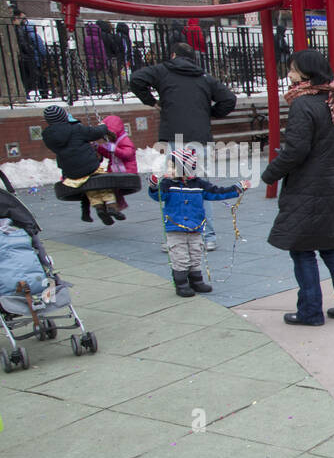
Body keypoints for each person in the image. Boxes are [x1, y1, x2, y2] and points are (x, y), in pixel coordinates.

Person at [262, 49, 334, 326]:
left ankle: (310, 311)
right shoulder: (331, 100)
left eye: (293, 70)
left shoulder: (303, 105)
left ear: (306, 74)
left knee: (302, 250)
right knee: (331, 248)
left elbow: (295, 150)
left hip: (307, 188)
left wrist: (270, 173)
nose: (290, 74)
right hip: (330, 185)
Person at [129, 40, 237, 251]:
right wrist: (209, 113)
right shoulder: (204, 77)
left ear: (173, 56)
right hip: (200, 139)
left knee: (174, 186)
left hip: (175, 138)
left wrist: (151, 101)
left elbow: (136, 79)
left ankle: (177, 234)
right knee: (200, 187)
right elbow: (229, 99)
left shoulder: (163, 71)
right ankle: (208, 236)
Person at [148, 149, 248, 297]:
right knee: (180, 257)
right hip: (175, 227)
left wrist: (236, 189)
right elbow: (159, 196)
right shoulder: (167, 184)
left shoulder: (199, 184)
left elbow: (216, 192)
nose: (168, 170)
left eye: (172, 166)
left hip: (195, 227)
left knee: (195, 255)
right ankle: (181, 284)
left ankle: (196, 281)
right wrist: (154, 186)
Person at [41, 106, 126, 224]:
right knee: (103, 184)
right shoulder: (76, 128)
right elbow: (95, 133)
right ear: (64, 116)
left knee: (89, 188)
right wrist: (103, 127)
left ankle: (99, 208)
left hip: (70, 171)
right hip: (89, 165)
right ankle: (111, 206)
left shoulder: (47, 136)